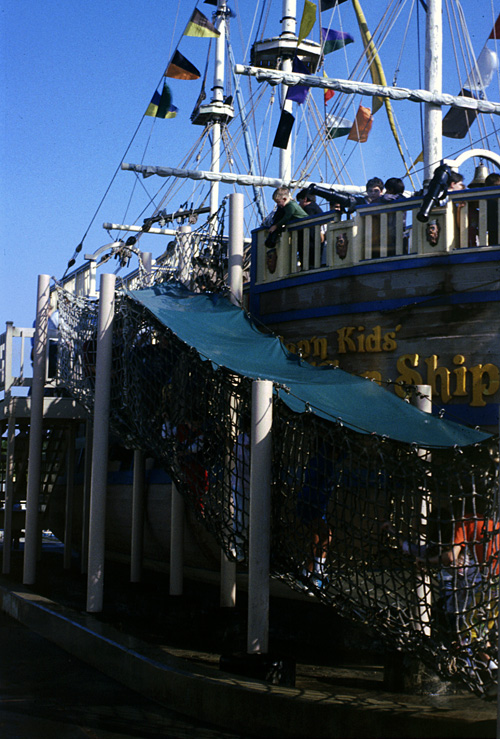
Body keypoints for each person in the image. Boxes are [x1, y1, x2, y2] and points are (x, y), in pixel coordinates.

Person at [265, 187, 308, 272]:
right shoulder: (290, 204)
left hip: (305, 226)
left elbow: (287, 217)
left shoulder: (290, 206)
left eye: (278, 202)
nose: (278, 205)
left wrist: (276, 226)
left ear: (284, 199)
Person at [296, 189, 324, 269]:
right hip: (315, 241)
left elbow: (306, 222)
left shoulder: (309, 208)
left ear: (304, 199)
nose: (299, 204)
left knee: (310, 263)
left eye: (300, 201)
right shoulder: (316, 207)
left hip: (310, 242)